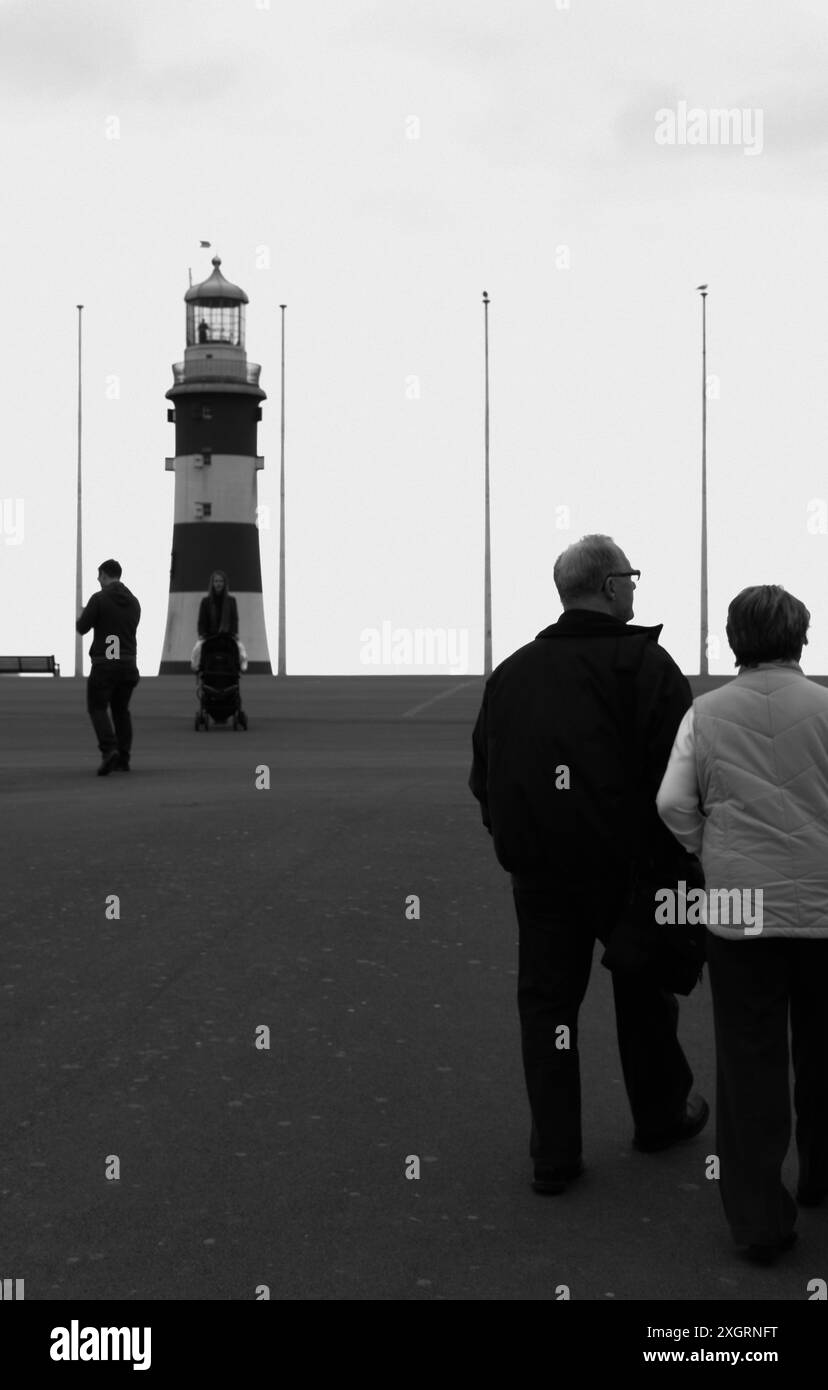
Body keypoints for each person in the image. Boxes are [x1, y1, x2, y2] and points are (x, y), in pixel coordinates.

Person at [469, 534, 708, 1195]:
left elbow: (484, 775)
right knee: (645, 995)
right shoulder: (647, 666)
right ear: (608, 587)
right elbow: (679, 780)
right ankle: (659, 1116)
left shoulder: (512, 673)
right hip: (630, 873)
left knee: (548, 1008)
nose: (635, 586)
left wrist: (517, 846)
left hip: (542, 876)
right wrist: (678, 864)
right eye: (630, 576)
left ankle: (555, 1152)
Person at [657, 584, 828, 1264]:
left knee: (749, 1061)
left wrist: (710, 848)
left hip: (736, 906)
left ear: (733, 641)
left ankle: (758, 1219)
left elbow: (672, 802)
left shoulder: (704, 713)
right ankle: (819, 1175)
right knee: (823, 1048)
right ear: (802, 637)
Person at [75, 559, 141, 776]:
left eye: (98, 576)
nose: (98, 581)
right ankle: (124, 757)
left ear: (104, 575)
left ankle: (109, 749)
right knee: (121, 710)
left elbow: (82, 627)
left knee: (97, 707)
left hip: (105, 663)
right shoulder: (134, 602)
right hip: (128, 663)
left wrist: (86, 614)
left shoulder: (99, 599)